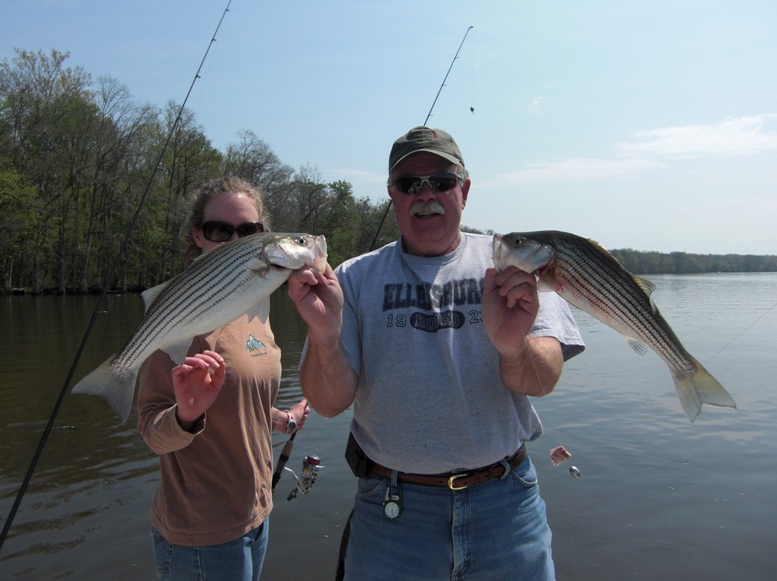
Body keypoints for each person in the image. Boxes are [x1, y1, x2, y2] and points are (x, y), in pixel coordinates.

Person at [288, 126, 585, 580]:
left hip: (505, 505)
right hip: (392, 513)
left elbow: (541, 382)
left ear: (464, 190)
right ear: (392, 196)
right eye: (409, 184)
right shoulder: (352, 279)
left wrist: (512, 348)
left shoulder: (516, 260)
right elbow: (328, 404)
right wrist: (326, 338)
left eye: (441, 182)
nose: (425, 194)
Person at [137, 176, 311, 581]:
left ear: (262, 235)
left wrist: (281, 419)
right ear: (198, 236)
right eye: (220, 230)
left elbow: (238, 401)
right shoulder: (178, 319)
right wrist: (184, 416)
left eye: (248, 230)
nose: (235, 240)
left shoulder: (255, 307)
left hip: (256, 514)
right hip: (201, 532)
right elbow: (151, 430)